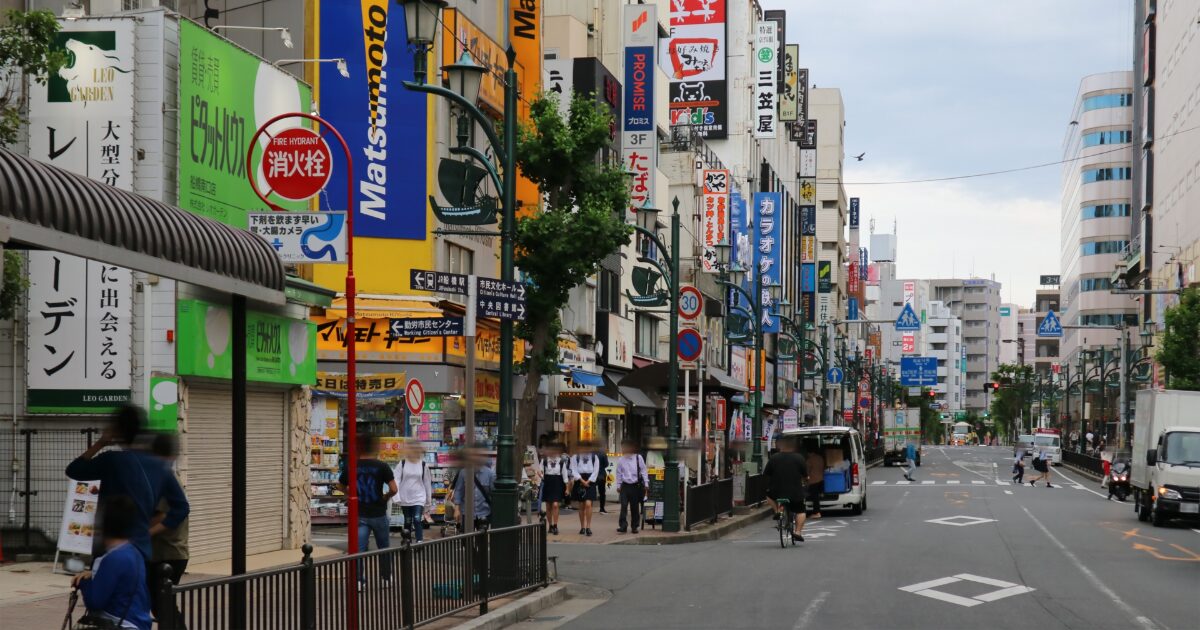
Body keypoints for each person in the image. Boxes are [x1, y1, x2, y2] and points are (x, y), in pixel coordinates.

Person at [66, 405, 190, 564]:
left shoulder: (111, 461)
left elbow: (74, 470)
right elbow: (181, 508)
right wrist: (146, 532)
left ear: (118, 431)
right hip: (142, 550)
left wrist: (101, 443)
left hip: (111, 550)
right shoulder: (159, 466)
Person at [72, 495, 154, 630]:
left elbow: (95, 602)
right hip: (138, 623)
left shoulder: (112, 559)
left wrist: (84, 583)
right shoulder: (133, 552)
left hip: (121, 624)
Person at [338, 434, 397, 587]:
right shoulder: (382, 466)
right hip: (379, 513)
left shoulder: (352, 466)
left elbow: (340, 485)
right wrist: (385, 497)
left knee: (359, 549)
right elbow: (394, 489)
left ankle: (359, 581)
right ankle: (386, 578)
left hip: (360, 514)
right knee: (384, 547)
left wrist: (351, 494)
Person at [148, 433, 188, 627]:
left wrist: (138, 532)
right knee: (162, 605)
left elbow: (162, 515)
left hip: (168, 552)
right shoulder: (164, 477)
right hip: (168, 552)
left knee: (162, 605)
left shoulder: (165, 478)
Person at [764, 437, 807, 542]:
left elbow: (767, 474)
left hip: (777, 491)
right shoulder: (799, 458)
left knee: (768, 496)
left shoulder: (774, 458)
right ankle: (797, 532)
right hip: (795, 492)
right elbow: (805, 475)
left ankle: (777, 511)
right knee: (801, 511)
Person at [392, 441, 433, 542]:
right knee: (407, 521)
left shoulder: (423, 465)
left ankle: (419, 541)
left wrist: (428, 501)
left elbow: (427, 483)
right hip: (405, 498)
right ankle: (407, 541)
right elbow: (396, 480)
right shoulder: (402, 464)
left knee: (417, 519)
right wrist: (396, 497)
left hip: (419, 498)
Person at [452, 446, 497, 529]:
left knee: (482, 535)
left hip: (484, 512)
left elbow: (493, 493)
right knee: (466, 535)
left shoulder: (490, 474)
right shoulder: (463, 473)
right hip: (467, 513)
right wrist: (456, 509)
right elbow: (458, 491)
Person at [614, 439, 649, 534]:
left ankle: (634, 526)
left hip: (635, 486)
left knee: (634, 507)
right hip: (625, 486)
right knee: (624, 505)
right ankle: (623, 525)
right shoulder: (621, 460)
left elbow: (644, 471)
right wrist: (618, 485)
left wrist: (646, 483)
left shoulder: (638, 458)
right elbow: (618, 473)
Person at [570, 443, 603, 536]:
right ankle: (582, 527)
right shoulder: (575, 457)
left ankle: (588, 527)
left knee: (588, 504)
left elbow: (596, 471)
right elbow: (574, 470)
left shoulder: (594, 457)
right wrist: (582, 480)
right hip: (579, 480)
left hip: (590, 480)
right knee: (581, 505)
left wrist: (588, 481)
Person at [539, 443, 570, 535]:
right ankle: (550, 526)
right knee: (548, 506)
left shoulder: (561, 462)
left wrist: (567, 488)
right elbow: (540, 472)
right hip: (548, 483)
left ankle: (555, 525)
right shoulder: (544, 461)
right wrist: (539, 474)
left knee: (555, 505)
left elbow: (565, 476)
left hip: (557, 483)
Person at [805, 442, 825, 519]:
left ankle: (817, 513)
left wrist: (805, 480)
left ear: (809, 453)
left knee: (815, 498)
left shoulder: (809, 460)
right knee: (817, 496)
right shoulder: (820, 458)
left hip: (813, 481)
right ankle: (821, 494)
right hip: (822, 480)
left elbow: (806, 472)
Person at [594, 444, 611, 514]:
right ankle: (602, 508)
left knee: (591, 491)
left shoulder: (592, 454)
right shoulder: (603, 454)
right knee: (602, 493)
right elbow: (606, 464)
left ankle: (589, 507)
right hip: (601, 475)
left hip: (592, 475)